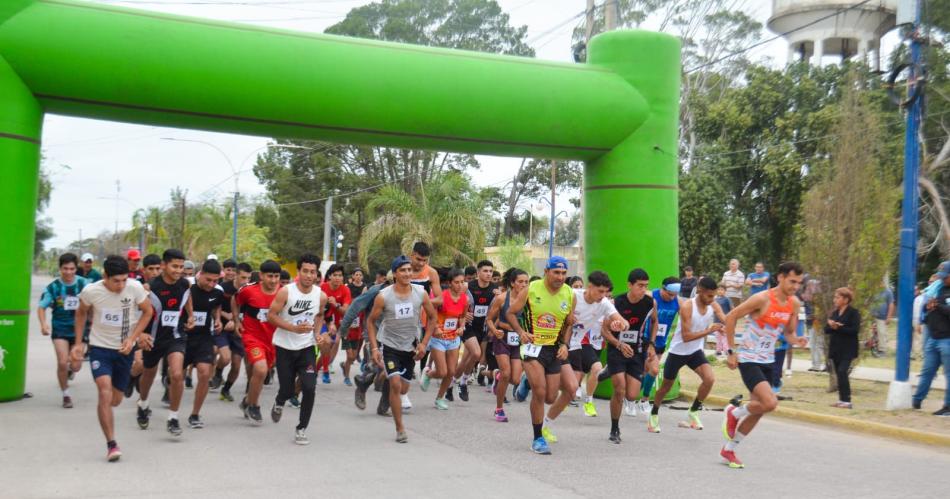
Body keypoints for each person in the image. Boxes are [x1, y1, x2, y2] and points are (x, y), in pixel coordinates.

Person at [721, 262, 806, 469]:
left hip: (768, 359)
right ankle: (734, 412)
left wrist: (797, 340)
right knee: (770, 403)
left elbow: (788, 333)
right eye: (792, 281)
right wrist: (731, 351)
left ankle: (729, 449)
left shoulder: (794, 304)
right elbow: (731, 316)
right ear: (780, 277)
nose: (795, 286)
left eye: (799, 283)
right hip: (749, 358)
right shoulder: (762, 298)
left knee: (758, 410)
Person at [72, 255, 153, 461]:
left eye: (124, 280)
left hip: (124, 351)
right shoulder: (91, 291)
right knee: (104, 392)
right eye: (116, 280)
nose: (121, 285)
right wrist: (79, 343)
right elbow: (81, 313)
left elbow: (148, 312)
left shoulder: (134, 288)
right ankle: (111, 443)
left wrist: (133, 339)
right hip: (100, 348)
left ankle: (127, 383)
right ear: (105, 276)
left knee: (116, 400)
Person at [506, 256, 576, 455]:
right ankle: (537, 438)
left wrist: (565, 344)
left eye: (563, 273)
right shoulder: (531, 289)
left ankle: (526, 381)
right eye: (556, 272)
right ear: (546, 271)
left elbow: (569, 322)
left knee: (550, 397)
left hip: (553, 349)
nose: (560, 277)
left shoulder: (570, 294)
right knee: (540, 392)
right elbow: (511, 313)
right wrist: (521, 332)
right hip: (532, 346)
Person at [367, 255, 439, 443]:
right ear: (395, 274)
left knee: (404, 387)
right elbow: (370, 321)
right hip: (389, 345)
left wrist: (424, 343)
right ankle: (400, 428)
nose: (407, 273)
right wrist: (374, 348)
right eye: (403, 270)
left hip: (410, 346)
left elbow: (433, 318)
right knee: (396, 384)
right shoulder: (384, 296)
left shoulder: (420, 293)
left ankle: (379, 380)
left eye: (409, 270)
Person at [650, 276, 725, 432]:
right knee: (665, 387)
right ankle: (654, 414)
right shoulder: (687, 307)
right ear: (699, 291)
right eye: (709, 295)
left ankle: (693, 411)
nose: (712, 299)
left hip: (695, 351)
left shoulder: (713, 305)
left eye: (714, 296)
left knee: (709, 379)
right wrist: (709, 330)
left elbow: (727, 321)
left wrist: (725, 327)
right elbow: (686, 336)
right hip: (678, 351)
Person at [267, 253, 328, 444]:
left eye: (313, 272)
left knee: (309, 387)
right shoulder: (286, 292)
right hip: (285, 346)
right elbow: (271, 315)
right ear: (299, 272)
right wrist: (293, 328)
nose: (309, 276)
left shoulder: (321, 296)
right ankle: (279, 401)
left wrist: (317, 333)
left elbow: (319, 316)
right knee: (287, 390)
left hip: (306, 347)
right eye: (305, 271)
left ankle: (301, 428)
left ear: (317, 275)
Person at [135, 249, 195, 436]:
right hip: (152, 336)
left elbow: (187, 299)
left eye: (181, 267)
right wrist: (140, 335)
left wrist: (191, 315)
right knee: (149, 373)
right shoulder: (150, 287)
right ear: (164, 266)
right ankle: (143, 403)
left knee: (177, 374)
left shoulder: (184, 284)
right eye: (174, 266)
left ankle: (173, 417)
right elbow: (137, 312)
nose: (178, 270)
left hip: (175, 335)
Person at [600, 268, 654, 443]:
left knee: (631, 395)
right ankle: (614, 428)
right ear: (630, 285)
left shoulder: (650, 302)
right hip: (617, 349)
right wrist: (619, 344)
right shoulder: (618, 303)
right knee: (620, 389)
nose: (643, 289)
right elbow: (604, 330)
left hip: (637, 352)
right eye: (640, 286)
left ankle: (609, 371)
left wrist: (651, 344)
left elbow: (655, 322)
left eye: (646, 286)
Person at [568, 271, 625, 419]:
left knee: (596, 368)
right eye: (600, 291)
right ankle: (528, 382)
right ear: (590, 286)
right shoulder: (572, 294)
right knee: (551, 390)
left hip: (577, 342)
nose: (603, 295)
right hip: (558, 340)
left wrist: (620, 325)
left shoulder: (604, 303)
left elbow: (622, 321)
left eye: (606, 292)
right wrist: (566, 315)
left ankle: (589, 401)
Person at [37, 253, 89, 408]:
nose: (68, 272)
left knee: (76, 365)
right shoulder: (53, 287)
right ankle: (65, 394)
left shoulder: (84, 284)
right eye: (65, 269)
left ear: (76, 268)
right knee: (61, 362)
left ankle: (70, 370)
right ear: (60, 269)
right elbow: (41, 307)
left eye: (72, 269)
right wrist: (43, 324)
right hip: (60, 328)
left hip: (80, 330)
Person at [234, 260, 283, 424]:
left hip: (273, 341)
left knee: (263, 373)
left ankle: (247, 401)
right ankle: (254, 405)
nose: (274, 280)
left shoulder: (284, 293)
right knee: (260, 370)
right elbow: (235, 301)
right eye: (270, 276)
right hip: (252, 337)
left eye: (277, 276)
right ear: (261, 276)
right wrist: (236, 321)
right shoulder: (248, 291)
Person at [182, 259, 225, 427]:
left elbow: (216, 307)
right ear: (200, 274)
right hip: (183, 336)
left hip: (204, 337)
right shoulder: (187, 287)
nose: (212, 284)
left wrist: (218, 319)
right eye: (208, 280)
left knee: (204, 373)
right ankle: (173, 408)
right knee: (175, 374)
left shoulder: (218, 292)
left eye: (216, 280)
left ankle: (195, 414)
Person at [486, 267, 529, 422]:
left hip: (518, 340)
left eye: (526, 282)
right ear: (512, 283)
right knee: (506, 373)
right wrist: (495, 330)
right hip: (502, 338)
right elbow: (489, 319)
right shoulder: (502, 298)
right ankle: (499, 409)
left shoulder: (529, 300)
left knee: (515, 379)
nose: (524, 285)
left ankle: (497, 376)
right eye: (520, 282)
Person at [420, 268, 467, 410]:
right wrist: (435, 328)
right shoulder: (442, 297)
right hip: (438, 338)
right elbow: (427, 312)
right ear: (449, 283)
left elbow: (463, 316)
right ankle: (428, 373)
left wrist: (461, 327)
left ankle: (439, 398)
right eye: (456, 282)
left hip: (453, 338)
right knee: (442, 372)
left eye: (462, 282)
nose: (460, 285)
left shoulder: (464, 298)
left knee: (451, 372)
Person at [636, 277, 682, 415]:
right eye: (669, 294)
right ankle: (644, 400)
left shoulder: (677, 302)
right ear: (663, 288)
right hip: (646, 339)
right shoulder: (651, 296)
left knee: (646, 371)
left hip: (661, 342)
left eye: (674, 295)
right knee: (654, 370)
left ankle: (631, 397)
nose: (671, 297)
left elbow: (687, 317)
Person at [913, 261, 950, 416]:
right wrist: (928, 309)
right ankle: (917, 400)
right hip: (933, 338)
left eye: (945, 276)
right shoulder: (938, 288)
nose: (942, 279)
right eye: (940, 276)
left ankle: (948, 407)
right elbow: (930, 308)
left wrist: (938, 306)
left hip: (947, 340)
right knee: (927, 371)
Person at [455, 260, 495, 402]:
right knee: (477, 354)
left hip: (482, 328)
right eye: (485, 271)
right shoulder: (467, 287)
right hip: (468, 326)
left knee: (465, 360)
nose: (488, 274)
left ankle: (449, 384)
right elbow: (454, 302)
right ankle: (464, 383)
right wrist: (463, 313)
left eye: (491, 271)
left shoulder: (495, 289)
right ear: (478, 273)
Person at [216, 262, 250, 400]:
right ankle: (218, 372)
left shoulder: (249, 291)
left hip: (238, 330)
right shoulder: (223, 288)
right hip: (222, 329)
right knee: (225, 357)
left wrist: (237, 322)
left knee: (236, 365)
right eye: (243, 278)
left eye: (248, 278)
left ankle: (226, 389)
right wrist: (226, 316)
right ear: (235, 275)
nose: (246, 281)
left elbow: (249, 313)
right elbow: (215, 307)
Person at [824, 287, 860, 409]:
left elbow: (854, 330)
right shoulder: (835, 313)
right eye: (835, 297)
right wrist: (832, 326)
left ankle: (847, 400)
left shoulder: (853, 313)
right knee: (839, 374)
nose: (835, 300)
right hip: (836, 348)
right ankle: (841, 400)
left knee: (842, 371)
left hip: (848, 348)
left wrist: (839, 327)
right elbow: (826, 330)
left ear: (846, 299)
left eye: (837, 297)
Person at [318, 264, 350, 384]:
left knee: (332, 346)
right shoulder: (322, 288)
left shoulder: (345, 289)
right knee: (328, 343)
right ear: (329, 276)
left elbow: (346, 310)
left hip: (339, 323)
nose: (337, 278)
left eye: (340, 275)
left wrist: (336, 304)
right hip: (324, 321)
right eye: (335, 275)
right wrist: (327, 323)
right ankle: (325, 370)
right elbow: (318, 310)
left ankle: (323, 367)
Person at [341, 268, 368, 386]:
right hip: (347, 328)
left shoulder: (365, 288)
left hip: (357, 327)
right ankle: (346, 377)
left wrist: (363, 327)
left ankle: (345, 365)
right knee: (350, 355)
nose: (358, 276)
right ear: (353, 276)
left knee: (353, 357)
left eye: (360, 275)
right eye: (356, 274)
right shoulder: (348, 288)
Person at [870, 282, 895, 357]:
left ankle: (882, 351)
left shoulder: (888, 292)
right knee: (875, 333)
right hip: (874, 316)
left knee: (882, 333)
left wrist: (889, 317)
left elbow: (891, 305)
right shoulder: (875, 292)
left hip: (883, 317)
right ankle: (875, 349)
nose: (879, 284)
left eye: (880, 282)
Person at [713, 283, 732, 356]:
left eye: (722, 290)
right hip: (716, 321)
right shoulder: (715, 299)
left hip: (724, 321)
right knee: (718, 337)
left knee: (724, 336)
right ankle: (718, 350)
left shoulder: (727, 299)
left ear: (725, 291)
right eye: (719, 290)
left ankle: (726, 350)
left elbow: (731, 309)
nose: (720, 291)